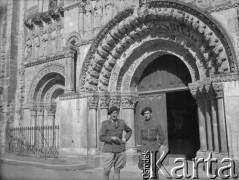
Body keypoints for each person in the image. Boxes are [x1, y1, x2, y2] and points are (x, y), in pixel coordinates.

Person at [99, 106, 132, 180]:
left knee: (117, 170)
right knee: (106, 170)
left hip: (119, 149)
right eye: (113, 113)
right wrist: (111, 138)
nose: (114, 115)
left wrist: (125, 138)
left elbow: (129, 131)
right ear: (110, 114)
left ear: (118, 114)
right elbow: (101, 137)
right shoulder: (105, 123)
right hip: (108, 149)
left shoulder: (122, 122)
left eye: (116, 113)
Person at [137, 106, 166, 179]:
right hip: (144, 147)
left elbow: (162, 136)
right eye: (145, 114)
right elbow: (139, 137)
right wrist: (138, 150)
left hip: (154, 148)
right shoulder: (141, 124)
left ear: (151, 114)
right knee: (145, 168)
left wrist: (158, 145)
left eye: (147, 113)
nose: (146, 115)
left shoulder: (156, 123)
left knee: (154, 167)